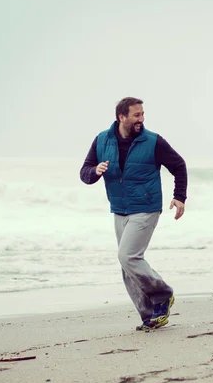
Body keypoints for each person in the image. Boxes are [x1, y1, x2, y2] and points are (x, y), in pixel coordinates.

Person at [80, 97, 188, 332]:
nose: (141, 119)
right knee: (126, 264)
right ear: (121, 117)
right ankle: (150, 315)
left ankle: (162, 294)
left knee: (128, 256)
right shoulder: (101, 140)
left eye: (142, 114)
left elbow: (179, 165)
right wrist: (95, 172)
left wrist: (179, 196)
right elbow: (84, 172)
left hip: (146, 207)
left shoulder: (153, 141)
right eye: (136, 115)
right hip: (119, 209)